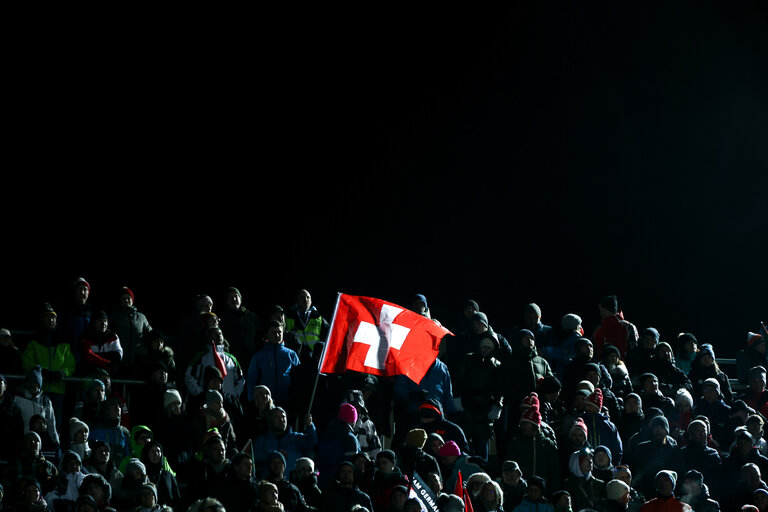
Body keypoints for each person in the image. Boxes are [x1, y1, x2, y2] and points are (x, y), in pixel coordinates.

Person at [21, 303, 76, 430]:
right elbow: (26, 362)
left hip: (58, 392)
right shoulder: (33, 342)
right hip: (38, 392)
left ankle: (54, 450)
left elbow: (71, 365)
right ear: (41, 320)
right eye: (47, 317)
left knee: (55, 427)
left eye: (53, 317)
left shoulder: (64, 343)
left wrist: (63, 373)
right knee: (36, 425)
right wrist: (40, 372)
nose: (51, 320)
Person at [453, 333, 505, 460]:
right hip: (466, 406)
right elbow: (457, 380)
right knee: (465, 443)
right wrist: (457, 399)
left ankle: (483, 471)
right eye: (484, 347)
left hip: (485, 409)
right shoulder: (468, 360)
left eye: (489, 348)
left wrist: (497, 405)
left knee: (482, 444)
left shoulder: (496, 365)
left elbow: (500, 388)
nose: (486, 350)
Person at [251, 407, 318, 479]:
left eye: (283, 416)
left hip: (291, 483)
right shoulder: (262, 439)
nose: (281, 419)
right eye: (277, 417)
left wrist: (310, 426)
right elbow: (256, 458)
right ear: (270, 420)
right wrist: (276, 455)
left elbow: (311, 441)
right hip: (269, 483)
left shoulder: (295, 437)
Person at [247, 321, 301, 406]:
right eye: (273, 332)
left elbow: (299, 379)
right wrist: (252, 399)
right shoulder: (259, 356)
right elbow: (251, 380)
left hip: (287, 401)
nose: (277, 335)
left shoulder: (291, 354)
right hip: (265, 402)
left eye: (279, 332)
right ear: (267, 334)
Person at [108, 286, 152, 372]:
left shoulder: (141, 317)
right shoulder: (113, 316)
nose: (126, 300)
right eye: (123, 298)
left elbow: (151, 334)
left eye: (129, 298)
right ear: (120, 300)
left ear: (132, 300)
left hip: (138, 362)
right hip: (118, 362)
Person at [218, 286, 263, 365]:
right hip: (231, 361)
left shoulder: (252, 317)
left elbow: (260, 336)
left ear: (240, 299)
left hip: (252, 360)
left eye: (236, 296)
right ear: (226, 301)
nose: (234, 299)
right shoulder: (222, 320)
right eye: (231, 297)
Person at [283, 289, 330, 357]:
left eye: (308, 297)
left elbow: (328, 334)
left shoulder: (318, 317)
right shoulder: (288, 316)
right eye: (302, 297)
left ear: (311, 301)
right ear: (296, 301)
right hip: (294, 355)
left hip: (313, 356)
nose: (305, 300)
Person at [592, 295, 639, 361]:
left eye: (602, 310)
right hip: (623, 365)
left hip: (612, 366)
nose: (601, 313)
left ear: (607, 310)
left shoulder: (600, 330)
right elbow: (634, 347)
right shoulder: (629, 326)